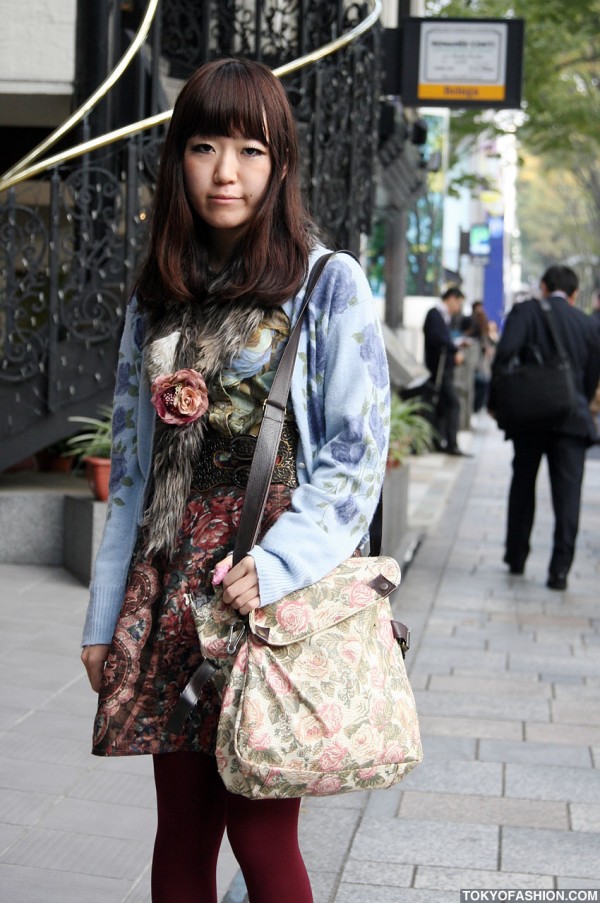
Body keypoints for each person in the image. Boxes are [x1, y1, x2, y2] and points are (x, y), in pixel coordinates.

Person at [79, 58, 390, 903]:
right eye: (206, 145)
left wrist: (281, 564)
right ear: (177, 156)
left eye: (251, 149)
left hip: (268, 598)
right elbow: (137, 477)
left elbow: (354, 465)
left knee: (259, 829)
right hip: (174, 591)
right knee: (181, 825)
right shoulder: (158, 300)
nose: (226, 170)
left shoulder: (327, 286)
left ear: (280, 162)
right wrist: (105, 614)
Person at [489, 264, 600, 590]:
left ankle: (516, 556)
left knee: (523, 483)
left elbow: (503, 356)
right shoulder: (587, 324)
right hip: (572, 417)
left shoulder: (526, 312)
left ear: (542, 286)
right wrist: (577, 398)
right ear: (575, 293)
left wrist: (497, 402)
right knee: (568, 496)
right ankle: (559, 572)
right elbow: (592, 375)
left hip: (530, 415)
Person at [422, 286, 472, 456]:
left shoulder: (444, 316)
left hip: (444, 369)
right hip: (437, 371)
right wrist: (454, 349)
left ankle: (439, 441)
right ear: (451, 298)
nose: (458, 308)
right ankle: (451, 443)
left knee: (443, 406)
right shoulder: (434, 314)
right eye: (458, 303)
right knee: (453, 403)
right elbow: (437, 339)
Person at [463, 300, 496, 422]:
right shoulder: (469, 321)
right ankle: (474, 409)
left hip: (479, 362)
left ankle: (475, 408)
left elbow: (487, 340)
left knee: (482, 383)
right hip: (471, 360)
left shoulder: (483, 325)